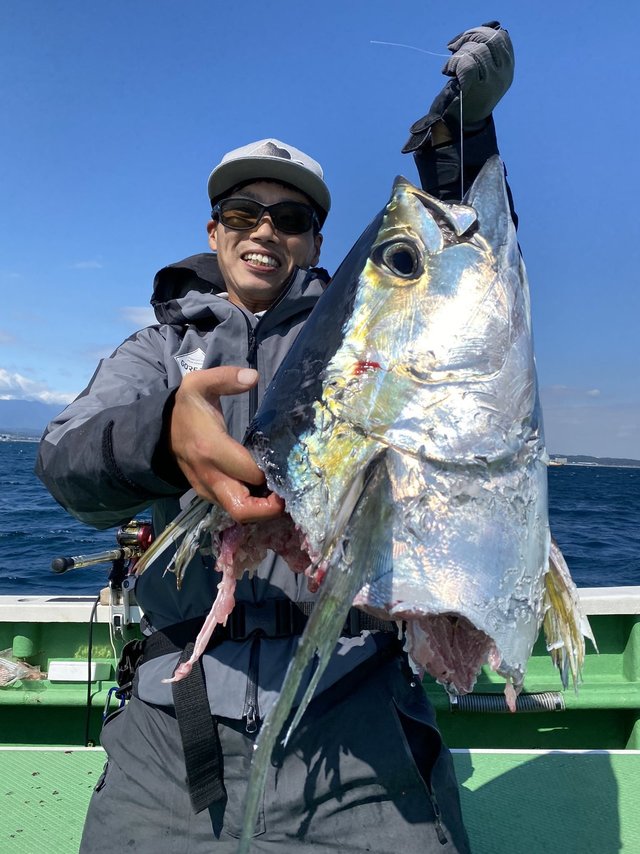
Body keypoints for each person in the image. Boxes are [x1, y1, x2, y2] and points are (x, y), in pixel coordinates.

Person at [36, 22, 515, 854]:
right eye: (243, 212)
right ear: (215, 231)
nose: (266, 230)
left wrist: (462, 150)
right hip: (171, 730)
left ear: (317, 244)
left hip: (358, 713)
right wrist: (162, 434)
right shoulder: (153, 353)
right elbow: (63, 464)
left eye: (292, 218)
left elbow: (463, 291)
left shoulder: (362, 333)